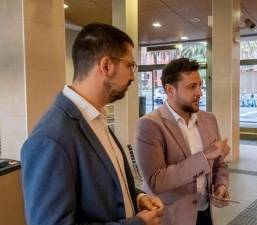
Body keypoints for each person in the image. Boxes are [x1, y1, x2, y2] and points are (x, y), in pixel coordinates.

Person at [21, 23, 164, 225]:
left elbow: (109, 185)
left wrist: (138, 198)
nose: (133, 76)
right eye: (130, 66)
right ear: (106, 66)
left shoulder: (96, 117)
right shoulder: (50, 138)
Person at [135, 58, 230, 225]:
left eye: (200, 85)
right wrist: (205, 156)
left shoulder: (209, 119)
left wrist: (221, 185)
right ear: (170, 90)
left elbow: (219, 165)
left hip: (205, 213)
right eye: (192, 87)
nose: (200, 92)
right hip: (172, 217)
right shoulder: (149, 125)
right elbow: (157, 180)